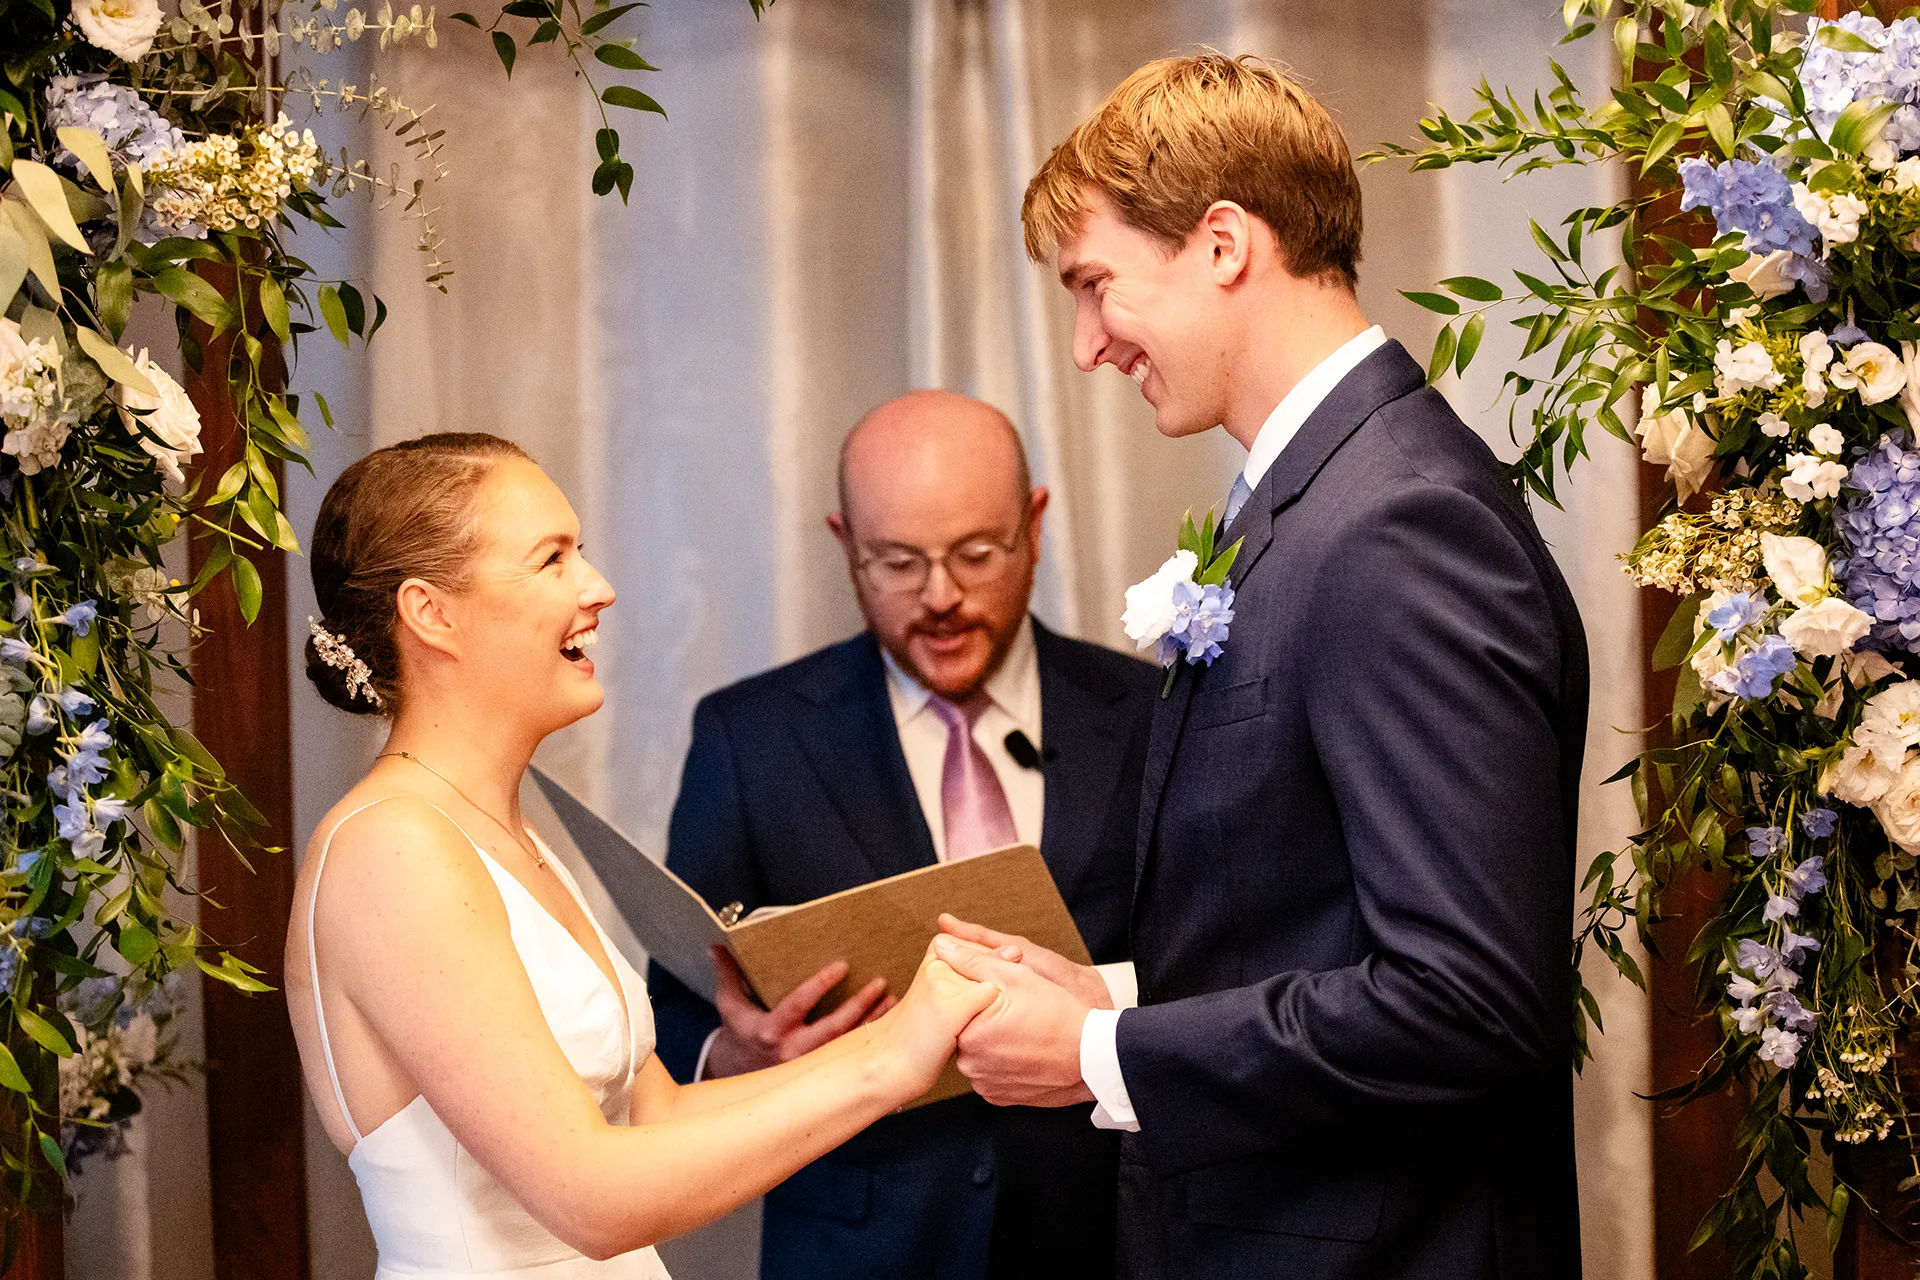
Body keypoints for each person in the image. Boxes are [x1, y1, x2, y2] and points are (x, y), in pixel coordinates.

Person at [933, 54, 1589, 1279]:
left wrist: (1100, 1054)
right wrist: (1111, 995)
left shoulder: (1395, 525)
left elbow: (1469, 998)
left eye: (1095, 285)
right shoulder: (1317, 498)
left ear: (1225, 243)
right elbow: (1311, 918)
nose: (1085, 347)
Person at [284, 432, 999, 1280]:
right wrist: (884, 1067)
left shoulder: (502, 834)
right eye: (551, 560)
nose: (598, 588)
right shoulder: (390, 849)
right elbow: (591, 1198)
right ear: (432, 613)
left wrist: (920, 1029)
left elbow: (652, 1117)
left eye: (578, 552)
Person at [648, 390, 1157, 1280]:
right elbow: (668, 1008)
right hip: (857, 1246)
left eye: (976, 553)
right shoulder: (750, 737)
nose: (942, 598)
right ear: (844, 544)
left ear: (1035, 525)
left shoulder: (1153, 714)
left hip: (1112, 1235)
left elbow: (1219, 965)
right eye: (895, 563)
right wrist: (737, 1053)